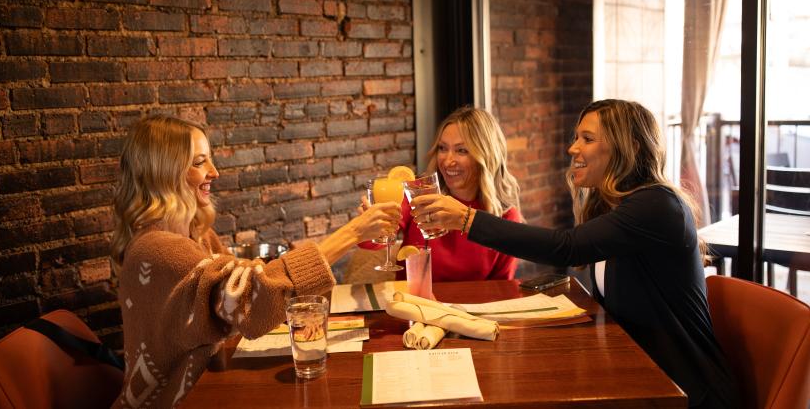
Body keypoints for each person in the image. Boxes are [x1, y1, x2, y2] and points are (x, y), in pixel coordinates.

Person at [410, 99, 740, 408]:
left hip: (683, 389)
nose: (573, 148)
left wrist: (467, 220)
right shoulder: (615, 205)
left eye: (587, 138)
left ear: (630, 148)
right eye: (576, 137)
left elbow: (566, 246)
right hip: (637, 372)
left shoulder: (657, 205)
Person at [109, 115, 400, 408]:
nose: (214, 172)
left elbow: (243, 293)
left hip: (208, 389)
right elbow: (250, 296)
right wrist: (352, 233)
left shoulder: (199, 236)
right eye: (199, 163)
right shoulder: (156, 251)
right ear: (164, 173)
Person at [361, 106, 522, 282]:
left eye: (461, 150)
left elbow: (501, 289)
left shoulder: (506, 217)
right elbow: (371, 243)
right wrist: (367, 226)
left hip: (470, 308)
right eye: (443, 148)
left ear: (486, 156)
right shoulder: (417, 194)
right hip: (412, 306)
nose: (447, 160)